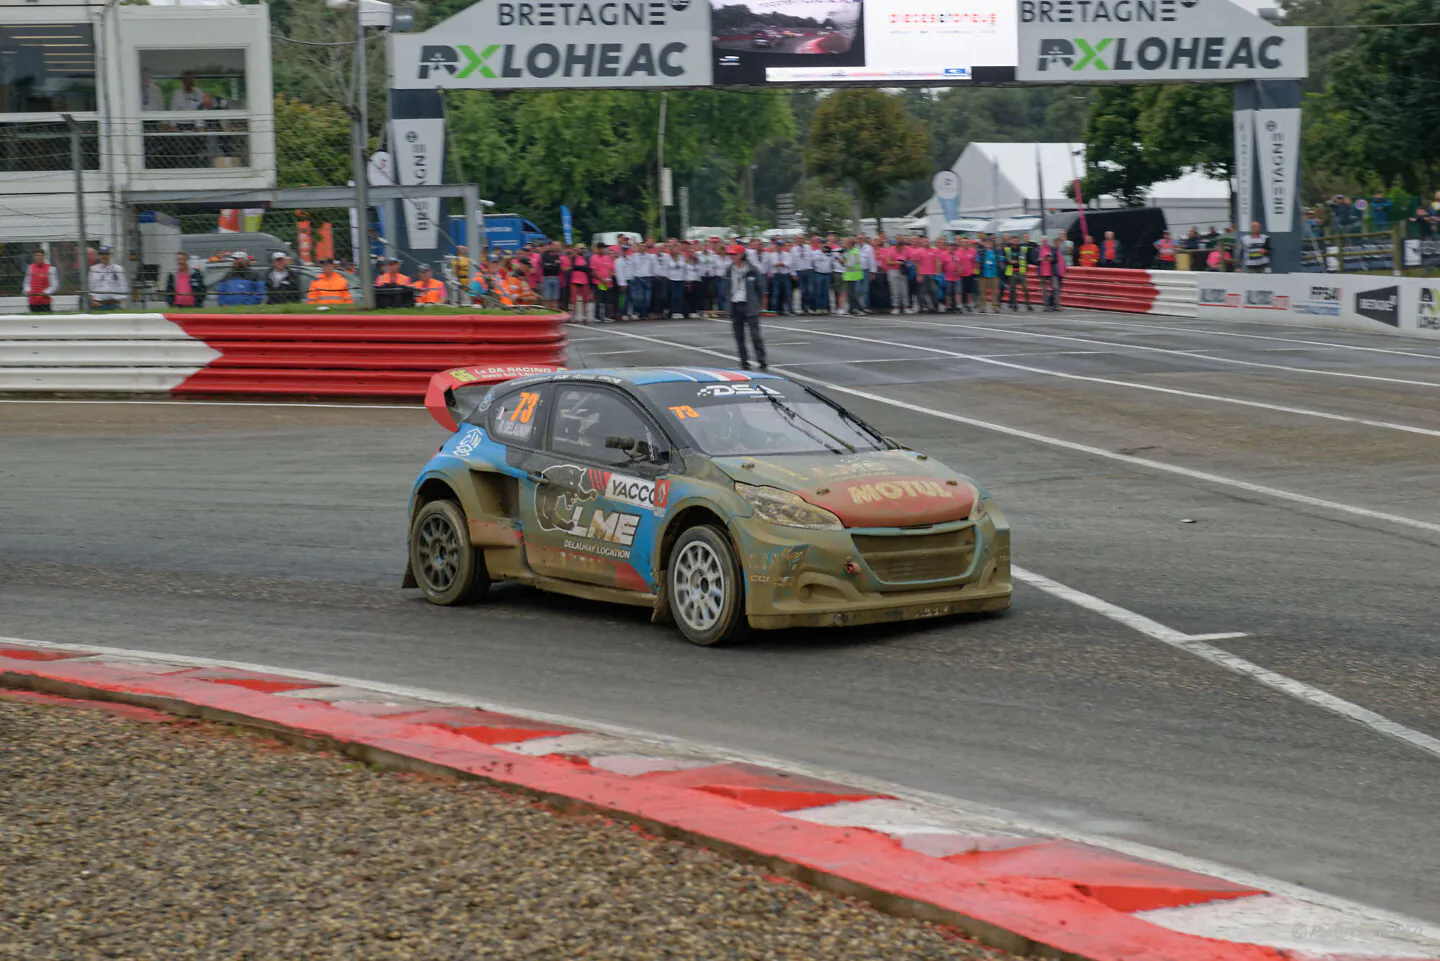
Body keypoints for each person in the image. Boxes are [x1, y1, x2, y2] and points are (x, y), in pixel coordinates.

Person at [727, 248, 766, 372]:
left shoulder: (752, 269)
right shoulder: (729, 270)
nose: (731, 256)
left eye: (734, 254)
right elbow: (726, 288)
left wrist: (757, 304)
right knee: (739, 336)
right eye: (730, 254)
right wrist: (728, 303)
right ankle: (744, 361)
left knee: (755, 335)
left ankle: (762, 360)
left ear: (741, 255)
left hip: (749, 305)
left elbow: (760, 287)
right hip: (735, 304)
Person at [87, 245, 129, 311]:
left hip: (114, 304)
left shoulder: (118, 269)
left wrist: (120, 301)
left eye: (106, 254)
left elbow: (123, 286)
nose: (104, 256)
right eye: (101, 254)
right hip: (99, 304)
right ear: (99, 256)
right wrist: (93, 301)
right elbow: (91, 287)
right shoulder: (94, 269)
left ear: (110, 255)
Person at [24, 249, 59, 313]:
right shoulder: (30, 268)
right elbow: (27, 282)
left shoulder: (50, 268)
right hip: (33, 301)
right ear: (34, 257)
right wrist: (28, 291)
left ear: (43, 257)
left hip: (45, 301)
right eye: (36, 256)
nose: (38, 257)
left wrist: (45, 292)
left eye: (40, 255)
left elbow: (55, 285)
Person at [1037, 237, 1064, 312]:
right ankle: (1046, 306)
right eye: (1043, 241)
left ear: (1048, 241)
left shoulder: (1052, 249)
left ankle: (1057, 305)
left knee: (1056, 288)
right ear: (1041, 242)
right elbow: (1034, 260)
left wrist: (1051, 259)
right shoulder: (1038, 249)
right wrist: (1041, 259)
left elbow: (1056, 260)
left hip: (1052, 272)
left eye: (1046, 241)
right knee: (1044, 290)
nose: (1044, 242)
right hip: (1042, 272)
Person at [568, 245, 593, 323]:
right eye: (580, 248)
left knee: (585, 300)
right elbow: (573, 267)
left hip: (584, 280)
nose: (582, 250)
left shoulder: (586, 258)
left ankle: (585, 317)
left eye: (583, 248)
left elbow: (588, 268)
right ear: (577, 249)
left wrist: (579, 268)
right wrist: (582, 268)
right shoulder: (573, 258)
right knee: (573, 300)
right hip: (574, 280)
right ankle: (573, 317)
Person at [977, 238, 1001, 313]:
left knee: (995, 292)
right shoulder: (980, 252)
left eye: (990, 242)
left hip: (994, 274)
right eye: (987, 242)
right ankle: (982, 307)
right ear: (984, 243)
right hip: (983, 274)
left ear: (993, 243)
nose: (989, 243)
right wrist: (977, 272)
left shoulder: (996, 252)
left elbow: (1000, 262)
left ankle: (995, 307)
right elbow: (977, 263)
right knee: (982, 292)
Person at [539, 243, 563, 309]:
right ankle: (547, 314)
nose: (554, 247)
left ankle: (555, 314)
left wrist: (550, 264)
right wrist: (553, 264)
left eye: (556, 245)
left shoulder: (557, 255)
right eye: (553, 245)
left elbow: (558, 267)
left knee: (555, 298)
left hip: (556, 277)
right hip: (546, 277)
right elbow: (544, 267)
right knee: (546, 298)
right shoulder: (544, 255)